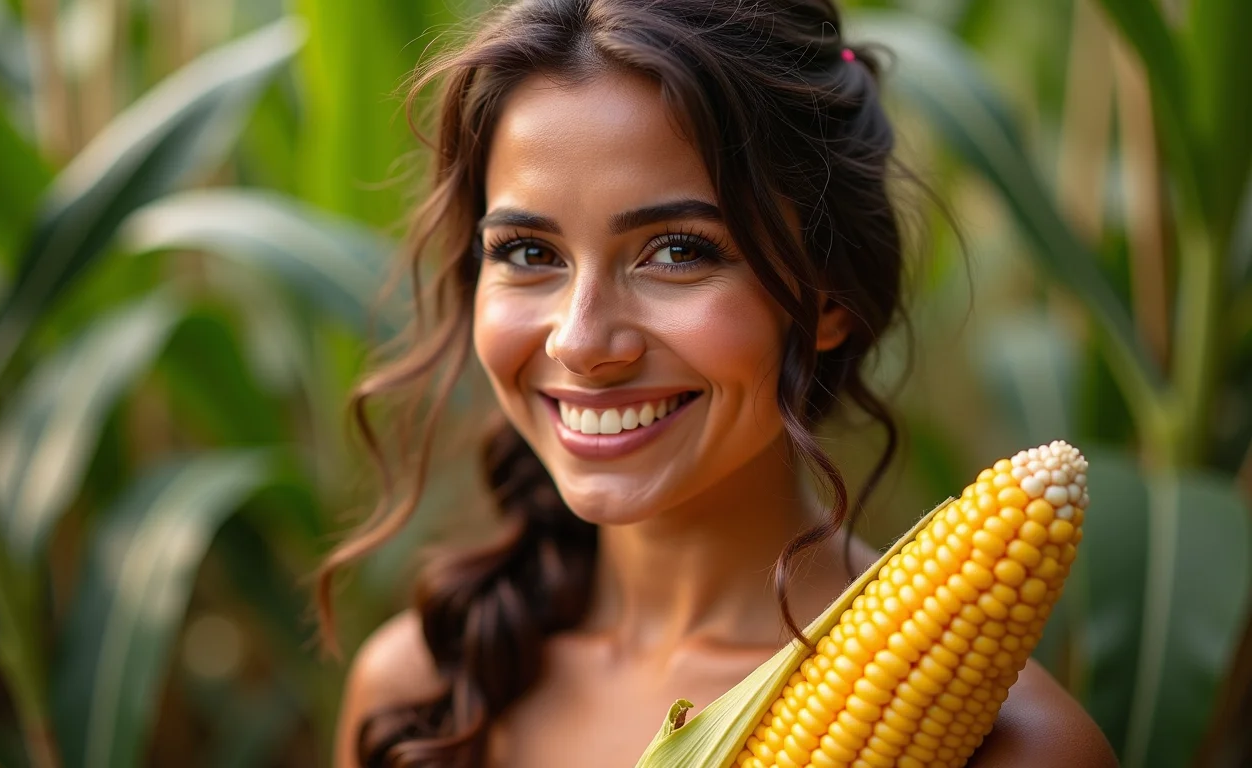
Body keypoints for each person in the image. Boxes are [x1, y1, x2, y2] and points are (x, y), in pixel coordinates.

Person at [321, 1, 1119, 766]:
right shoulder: (421, 697)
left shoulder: (1023, 749)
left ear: (827, 296)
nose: (582, 340)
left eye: (677, 251)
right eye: (530, 253)